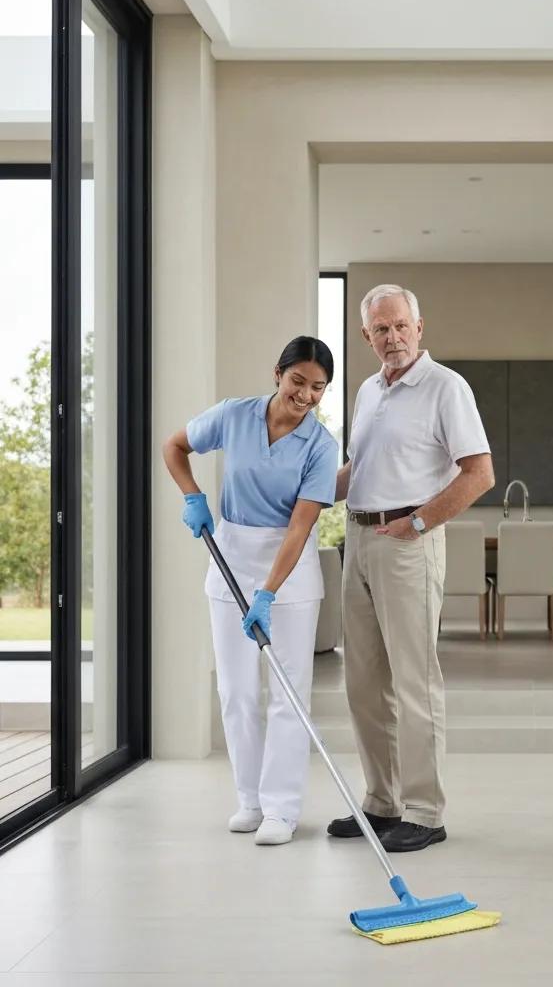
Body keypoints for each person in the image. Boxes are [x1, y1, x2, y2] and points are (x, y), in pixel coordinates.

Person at [327, 284, 494, 852]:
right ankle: (382, 802)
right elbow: (360, 467)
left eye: (401, 326)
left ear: (419, 328)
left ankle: (424, 811)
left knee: (414, 682)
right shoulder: (367, 392)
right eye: (381, 329)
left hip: (408, 544)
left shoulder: (447, 387)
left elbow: (479, 473)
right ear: (365, 336)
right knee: (364, 683)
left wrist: (420, 523)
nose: (392, 337)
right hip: (359, 538)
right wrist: (303, 491)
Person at [163, 336, 340, 846]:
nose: (305, 395)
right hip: (229, 557)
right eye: (297, 381)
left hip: (290, 574)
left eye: (318, 388)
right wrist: (193, 496)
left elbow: (300, 527)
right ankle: (251, 800)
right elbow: (174, 446)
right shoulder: (234, 415)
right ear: (277, 373)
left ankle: (282, 810)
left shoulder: (321, 447)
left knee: (286, 693)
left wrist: (267, 593)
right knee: (237, 691)